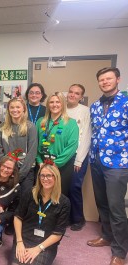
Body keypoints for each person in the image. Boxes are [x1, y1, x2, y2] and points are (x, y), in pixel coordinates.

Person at [87, 67, 128, 265]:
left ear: (117, 79)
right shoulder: (94, 106)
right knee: (102, 204)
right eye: (101, 79)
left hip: (118, 164)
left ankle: (120, 252)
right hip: (96, 161)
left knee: (116, 207)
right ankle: (106, 236)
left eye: (108, 78)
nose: (105, 82)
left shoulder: (126, 103)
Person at [11, 164, 70, 265]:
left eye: (49, 175)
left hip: (45, 245)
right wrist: (19, 242)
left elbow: (58, 233)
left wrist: (38, 249)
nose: (45, 179)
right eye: (42, 175)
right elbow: (18, 217)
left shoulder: (64, 202)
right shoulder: (29, 193)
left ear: (56, 177)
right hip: (24, 239)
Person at [36, 92, 79, 197]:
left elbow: (72, 146)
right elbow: (35, 144)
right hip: (42, 165)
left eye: (57, 102)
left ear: (62, 104)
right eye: (51, 102)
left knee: (60, 196)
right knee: (42, 194)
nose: (54, 105)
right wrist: (40, 162)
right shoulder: (40, 122)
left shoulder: (71, 123)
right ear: (48, 105)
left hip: (62, 166)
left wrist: (56, 164)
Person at [0, 98, 38, 195]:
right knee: (5, 199)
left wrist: (20, 174)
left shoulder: (30, 127)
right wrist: (7, 168)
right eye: (12, 107)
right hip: (6, 170)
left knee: (24, 198)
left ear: (23, 109)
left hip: (26, 170)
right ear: (8, 110)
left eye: (18, 107)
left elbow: (32, 152)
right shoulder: (2, 127)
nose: (15, 110)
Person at [66, 84, 91, 231]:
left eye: (77, 93)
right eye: (71, 92)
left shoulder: (85, 111)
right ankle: (66, 217)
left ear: (81, 97)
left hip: (78, 155)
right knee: (63, 187)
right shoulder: (62, 108)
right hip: (64, 154)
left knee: (74, 187)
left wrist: (79, 159)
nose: (73, 95)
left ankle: (78, 219)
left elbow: (87, 135)